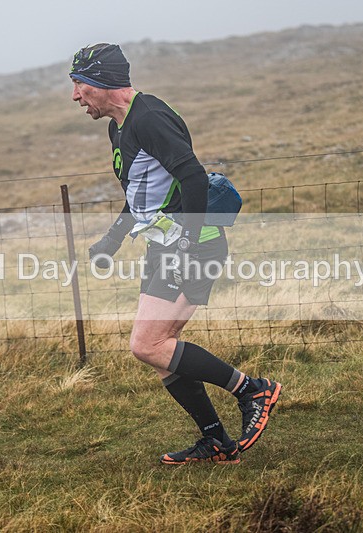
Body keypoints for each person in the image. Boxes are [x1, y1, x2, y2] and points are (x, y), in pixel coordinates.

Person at [70, 43, 281, 464]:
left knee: (149, 344)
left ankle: (252, 390)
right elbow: (140, 196)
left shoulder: (149, 118)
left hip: (192, 247)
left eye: (79, 85)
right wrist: (111, 241)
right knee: (159, 347)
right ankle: (216, 440)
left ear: (101, 83)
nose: (75, 96)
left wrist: (187, 240)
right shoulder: (120, 127)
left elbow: (193, 177)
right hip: (165, 246)